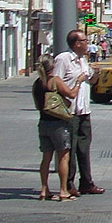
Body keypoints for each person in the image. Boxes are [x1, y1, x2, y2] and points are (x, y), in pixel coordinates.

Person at [53, 29, 105, 195]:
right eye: (85, 41)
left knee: (84, 148)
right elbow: (56, 81)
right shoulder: (63, 59)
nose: (87, 43)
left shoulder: (83, 60)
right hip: (69, 111)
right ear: (76, 44)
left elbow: (91, 81)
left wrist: (96, 74)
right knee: (70, 148)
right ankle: (68, 184)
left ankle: (87, 183)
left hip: (84, 110)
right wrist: (74, 86)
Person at [32, 53, 77, 201]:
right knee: (63, 157)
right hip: (58, 124)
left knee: (46, 157)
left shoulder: (37, 83)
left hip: (43, 122)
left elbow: (38, 104)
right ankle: (63, 190)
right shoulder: (55, 81)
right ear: (53, 66)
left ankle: (44, 189)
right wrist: (79, 82)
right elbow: (71, 94)